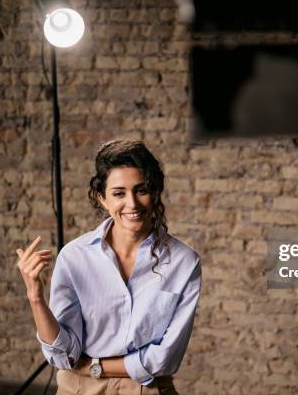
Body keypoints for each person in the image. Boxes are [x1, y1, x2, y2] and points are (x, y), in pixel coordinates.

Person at [16, 140, 202, 395]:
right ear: (102, 198)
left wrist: (95, 367)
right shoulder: (74, 257)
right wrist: (35, 297)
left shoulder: (184, 262)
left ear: (155, 192)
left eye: (141, 190)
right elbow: (64, 355)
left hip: (147, 389)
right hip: (78, 389)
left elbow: (165, 358)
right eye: (119, 193)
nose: (132, 204)